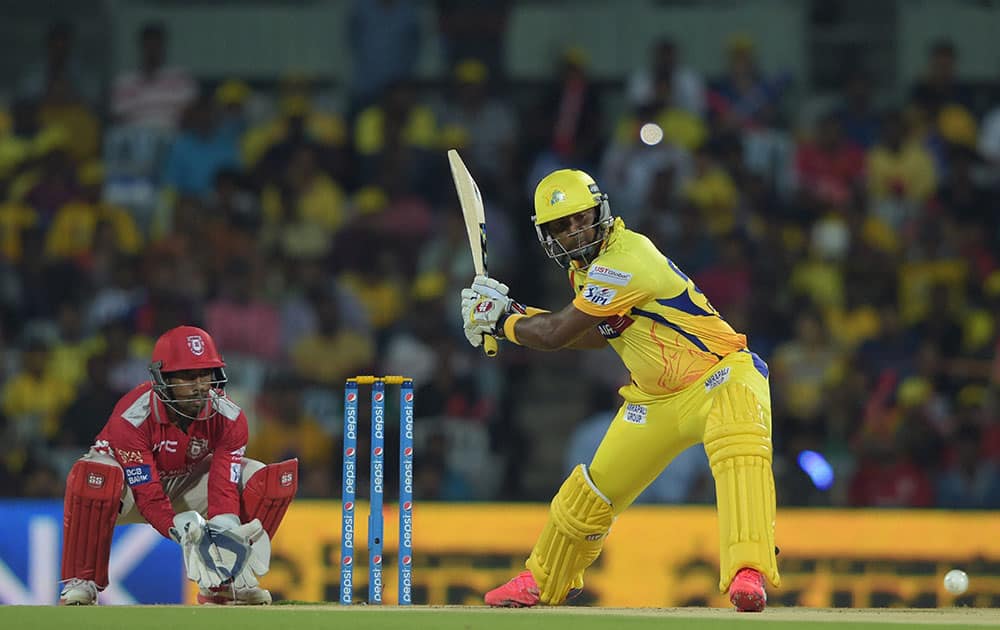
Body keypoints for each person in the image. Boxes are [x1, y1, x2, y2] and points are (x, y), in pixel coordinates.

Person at [461, 169, 780, 612]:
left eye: (581, 219)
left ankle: (748, 571)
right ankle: (541, 581)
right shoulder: (584, 272)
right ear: (547, 234)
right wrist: (514, 313)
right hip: (655, 400)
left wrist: (504, 322)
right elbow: (595, 331)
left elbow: (555, 334)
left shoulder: (627, 258)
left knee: (739, 449)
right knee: (591, 492)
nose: (575, 231)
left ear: (600, 213)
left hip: (721, 375)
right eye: (561, 226)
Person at [58, 325, 298, 606]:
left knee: (263, 480)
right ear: (163, 379)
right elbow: (148, 495)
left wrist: (225, 529)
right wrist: (178, 529)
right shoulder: (133, 417)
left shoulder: (230, 417)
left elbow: (223, 490)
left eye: (205, 374)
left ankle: (226, 582)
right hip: (126, 491)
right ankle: (81, 581)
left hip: (183, 481)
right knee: (96, 476)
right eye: (187, 376)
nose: (199, 386)